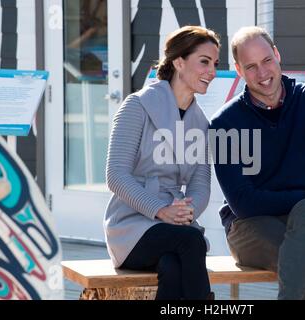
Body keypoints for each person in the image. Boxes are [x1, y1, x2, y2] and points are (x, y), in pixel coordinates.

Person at [210, 26, 305, 300]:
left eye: (267, 60)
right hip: (249, 227)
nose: (263, 73)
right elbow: (244, 203)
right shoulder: (224, 124)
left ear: (277, 55)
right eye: (251, 66)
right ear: (239, 70)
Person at [104, 26, 220, 300]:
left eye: (215, 63)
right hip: (130, 226)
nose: (212, 71)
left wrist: (185, 213)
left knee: (173, 266)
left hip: (175, 227)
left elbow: (200, 183)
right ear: (179, 62)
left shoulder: (202, 123)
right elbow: (115, 175)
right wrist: (160, 210)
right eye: (204, 61)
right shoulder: (137, 106)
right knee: (192, 242)